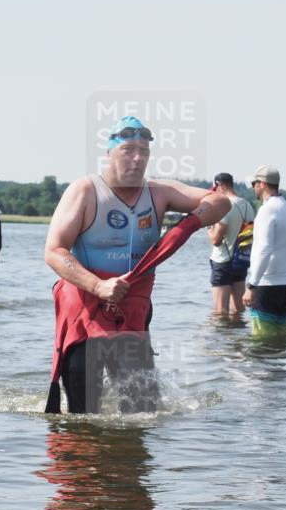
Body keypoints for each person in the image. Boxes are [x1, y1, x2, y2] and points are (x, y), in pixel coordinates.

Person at [43, 115, 230, 414]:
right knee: (83, 413)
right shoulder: (85, 191)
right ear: (109, 153)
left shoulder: (158, 193)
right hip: (84, 308)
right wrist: (98, 285)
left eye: (144, 152)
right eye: (128, 150)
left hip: (130, 308)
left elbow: (220, 202)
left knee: (141, 408)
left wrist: (188, 225)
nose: (137, 158)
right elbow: (54, 251)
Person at [241, 165, 286, 337]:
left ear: (262, 184)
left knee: (261, 342)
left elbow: (263, 249)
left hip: (266, 286)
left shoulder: (267, 210)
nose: (253, 188)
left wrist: (252, 285)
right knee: (281, 340)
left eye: (254, 184)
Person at [206, 172, 256, 316]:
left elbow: (216, 240)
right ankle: (237, 337)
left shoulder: (225, 205)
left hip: (223, 261)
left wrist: (209, 226)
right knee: (238, 310)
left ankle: (222, 338)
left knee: (220, 312)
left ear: (219, 185)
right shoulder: (247, 205)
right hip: (241, 260)